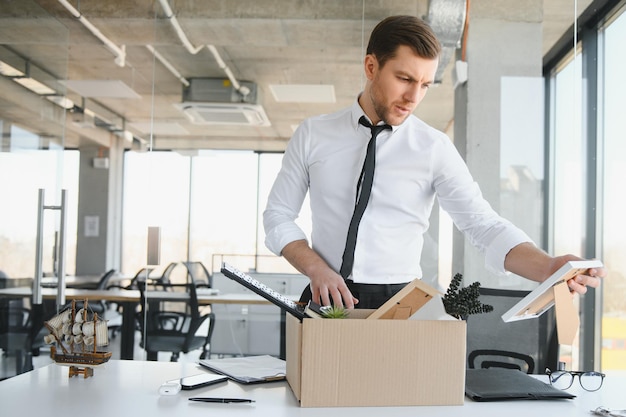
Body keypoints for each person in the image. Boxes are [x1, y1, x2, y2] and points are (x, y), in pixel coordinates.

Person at [263, 15, 605, 310]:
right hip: (325, 297)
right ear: (371, 67)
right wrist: (315, 268)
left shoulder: (433, 147)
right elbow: (278, 215)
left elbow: (482, 225)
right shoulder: (313, 134)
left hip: (401, 303)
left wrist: (547, 267)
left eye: (425, 84)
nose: (414, 97)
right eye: (405, 79)